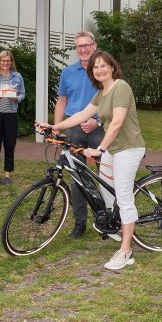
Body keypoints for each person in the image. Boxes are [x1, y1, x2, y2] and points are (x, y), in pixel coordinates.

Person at [39, 50, 145, 270]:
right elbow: (80, 116)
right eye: (95, 67)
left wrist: (99, 149)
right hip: (112, 149)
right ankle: (116, 227)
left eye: (103, 66)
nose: (99, 70)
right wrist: (53, 126)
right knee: (107, 191)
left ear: (112, 67)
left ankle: (127, 251)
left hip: (128, 148)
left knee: (123, 196)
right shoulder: (101, 92)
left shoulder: (121, 87)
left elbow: (116, 123)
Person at [54, 31, 105, 238]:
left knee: (107, 175)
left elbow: (112, 98)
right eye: (79, 47)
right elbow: (62, 101)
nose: (83, 49)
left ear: (94, 46)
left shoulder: (102, 69)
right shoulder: (68, 72)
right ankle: (80, 223)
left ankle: (109, 217)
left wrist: (97, 120)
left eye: (87, 45)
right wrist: (57, 128)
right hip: (75, 129)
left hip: (99, 128)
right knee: (77, 177)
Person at [0, 49, 26, 185]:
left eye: (8, 60)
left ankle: (8, 174)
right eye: (3, 60)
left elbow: (22, 94)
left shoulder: (18, 76)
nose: (5, 63)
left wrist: (17, 99)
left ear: (11, 61)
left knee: (10, 145)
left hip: (11, 115)